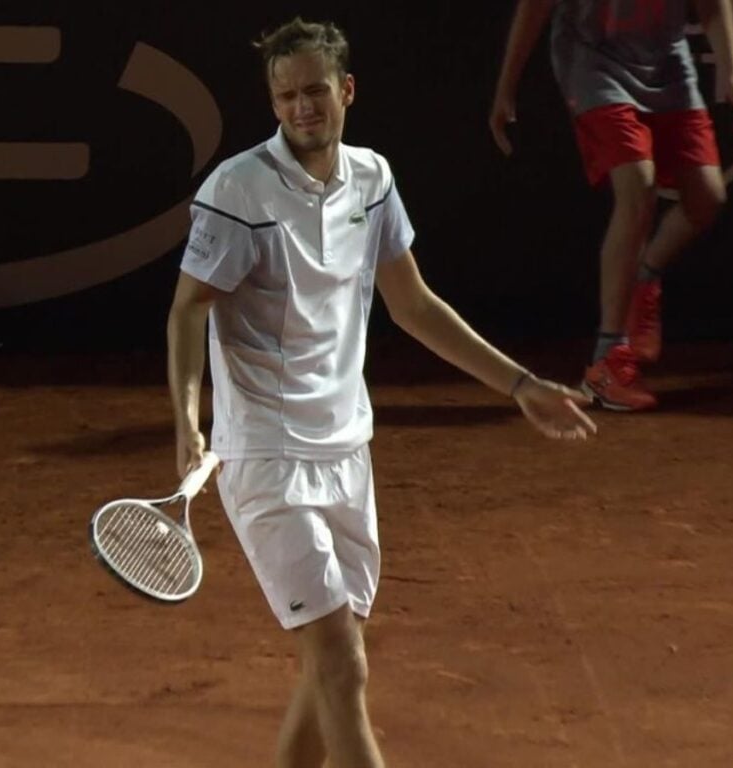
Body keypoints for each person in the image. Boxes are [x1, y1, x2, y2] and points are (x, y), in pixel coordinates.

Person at [167, 17, 597, 768]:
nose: (302, 107)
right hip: (266, 457)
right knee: (344, 660)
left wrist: (519, 384)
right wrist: (186, 418)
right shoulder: (237, 190)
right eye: (286, 95)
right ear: (273, 102)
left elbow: (415, 305)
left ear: (347, 91)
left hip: (347, 452)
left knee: (329, 662)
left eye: (315, 91)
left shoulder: (373, 179)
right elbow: (189, 307)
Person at [490, 0, 733, 411]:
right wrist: (506, 88)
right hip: (592, 61)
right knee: (638, 185)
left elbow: (710, 5)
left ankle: (644, 278)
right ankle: (607, 363)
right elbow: (534, 8)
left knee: (707, 196)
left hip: (667, 59)